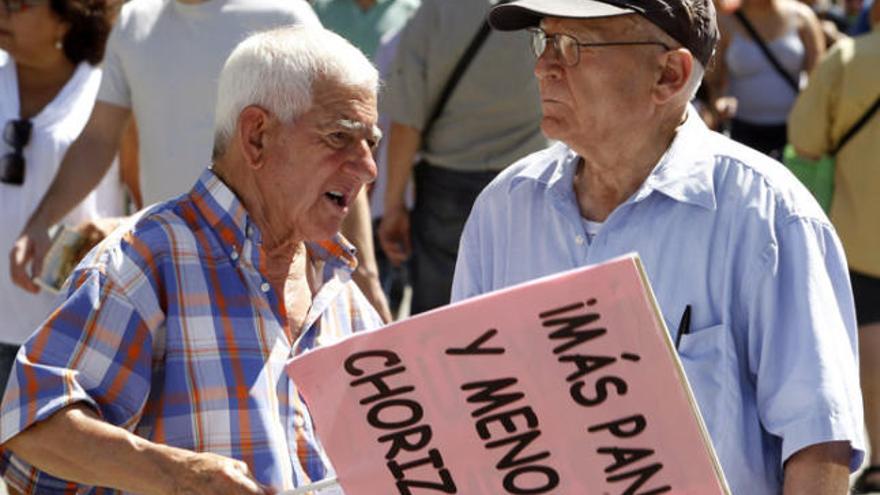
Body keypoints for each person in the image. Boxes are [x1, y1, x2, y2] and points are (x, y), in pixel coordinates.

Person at [451, 0, 865, 493]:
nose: (544, 66)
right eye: (543, 39)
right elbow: (466, 411)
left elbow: (818, 444)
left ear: (669, 74)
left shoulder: (766, 216)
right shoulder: (504, 209)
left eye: (572, 46)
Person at [0, 25, 384, 494]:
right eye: (341, 137)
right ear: (257, 136)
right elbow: (33, 427)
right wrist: (176, 476)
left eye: (372, 143)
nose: (367, 168)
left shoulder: (339, 291)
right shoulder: (147, 260)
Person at [8, 0, 396, 324]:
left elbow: (341, 150)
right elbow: (98, 138)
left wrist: (365, 276)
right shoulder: (133, 22)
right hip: (170, 269)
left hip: (273, 271)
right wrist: (42, 220)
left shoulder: (283, 15)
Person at [378, 0, 548, 314]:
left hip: (448, 187)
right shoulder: (549, 7)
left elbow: (406, 120)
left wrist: (393, 206)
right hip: (533, 181)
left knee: (442, 320)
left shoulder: (439, 8)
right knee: (521, 313)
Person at [0, 0, 123, 398]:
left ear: (67, 18)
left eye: (17, 4)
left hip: (70, 340)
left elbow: (148, 199)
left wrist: (110, 230)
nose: (2, 12)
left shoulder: (110, 95)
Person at [788, 2, 880, 491]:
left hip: (861, 227)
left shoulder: (846, 58)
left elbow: (804, 140)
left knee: (870, 345)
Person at [708, 0, 824, 159]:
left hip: (793, 134)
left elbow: (819, 80)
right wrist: (718, 102)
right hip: (742, 133)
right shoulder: (725, 21)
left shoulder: (803, 17)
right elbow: (712, 81)